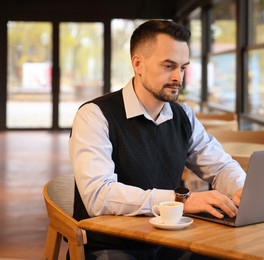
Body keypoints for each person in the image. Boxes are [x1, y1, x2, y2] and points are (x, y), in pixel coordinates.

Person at [69, 19, 246, 259]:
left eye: (183, 67)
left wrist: (241, 187)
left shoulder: (184, 116)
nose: (178, 78)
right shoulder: (94, 115)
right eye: (168, 66)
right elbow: (99, 196)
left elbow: (221, 166)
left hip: (172, 240)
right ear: (138, 64)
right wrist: (180, 201)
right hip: (112, 245)